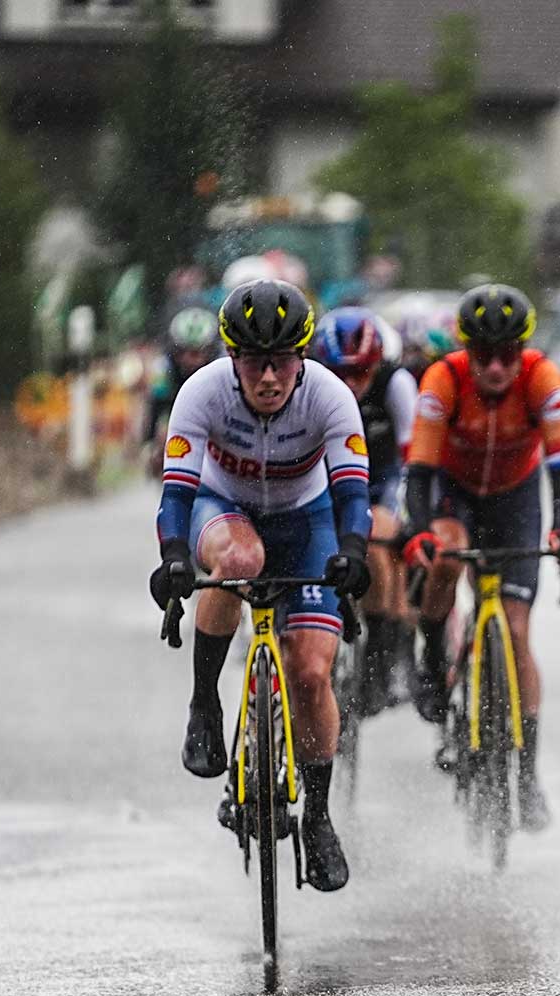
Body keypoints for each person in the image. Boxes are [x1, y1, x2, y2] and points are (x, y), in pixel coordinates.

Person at [148, 279, 373, 892]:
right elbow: (177, 493)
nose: (268, 378)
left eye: (281, 362)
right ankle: (204, 703)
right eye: (253, 362)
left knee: (310, 673)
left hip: (308, 518)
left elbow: (353, 493)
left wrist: (353, 552)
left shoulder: (330, 397)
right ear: (231, 359)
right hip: (226, 508)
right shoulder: (201, 393)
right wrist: (172, 558)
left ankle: (319, 816)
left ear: (302, 359)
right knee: (241, 558)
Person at [400, 283, 560, 831]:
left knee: (519, 634)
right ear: (467, 351)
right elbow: (420, 472)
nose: (497, 368)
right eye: (485, 356)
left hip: (516, 498)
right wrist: (422, 533)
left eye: (508, 355)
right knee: (448, 556)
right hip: (455, 492)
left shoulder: (542, 376)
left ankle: (526, 776)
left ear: (521, 351)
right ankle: (432, 655)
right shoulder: (444, 378)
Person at [310, 307, 419, 713]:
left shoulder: (396, 383)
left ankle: (379, 655)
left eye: (361, 374)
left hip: (382, 480)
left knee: (376, 542)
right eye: (341, 374)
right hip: (326, 480)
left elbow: (413, 458)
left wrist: (409, 514)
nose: (351, 385)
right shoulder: (309, 385)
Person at [146, 303, 220, 474]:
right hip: (175, 409)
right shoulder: (164, 366)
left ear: (210, 351)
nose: (191, 360)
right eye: (185, 352)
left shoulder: (222, 364)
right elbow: (155, 405)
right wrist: (150, 442)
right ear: (175, 349)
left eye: (198, 353)